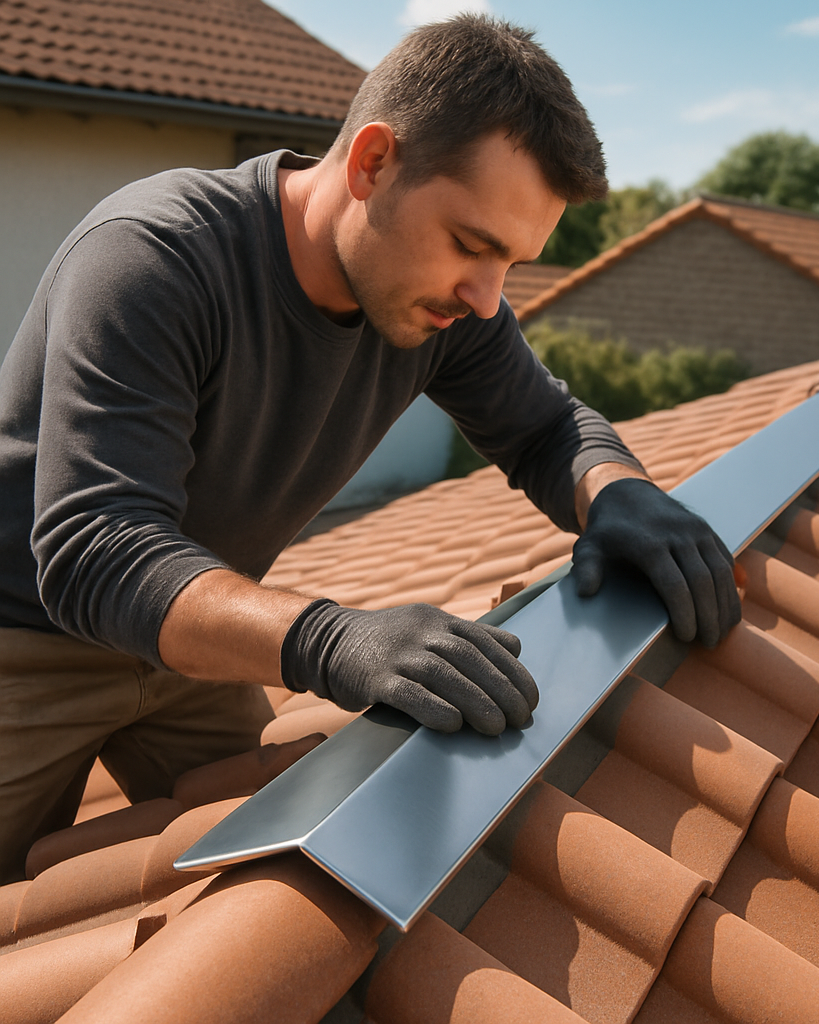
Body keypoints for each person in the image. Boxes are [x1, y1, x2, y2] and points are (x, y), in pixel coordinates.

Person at [0, 15, 741, 883]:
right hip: (25, 642)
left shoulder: (445, 305)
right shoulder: (156, 258)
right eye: (472, 245)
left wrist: (617, 492)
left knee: (262, 888)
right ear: (372, 163)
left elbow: (546, 428)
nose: (486, 297)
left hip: (192, 644)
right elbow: (97, 552)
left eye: (512, 263)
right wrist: (331, 640)